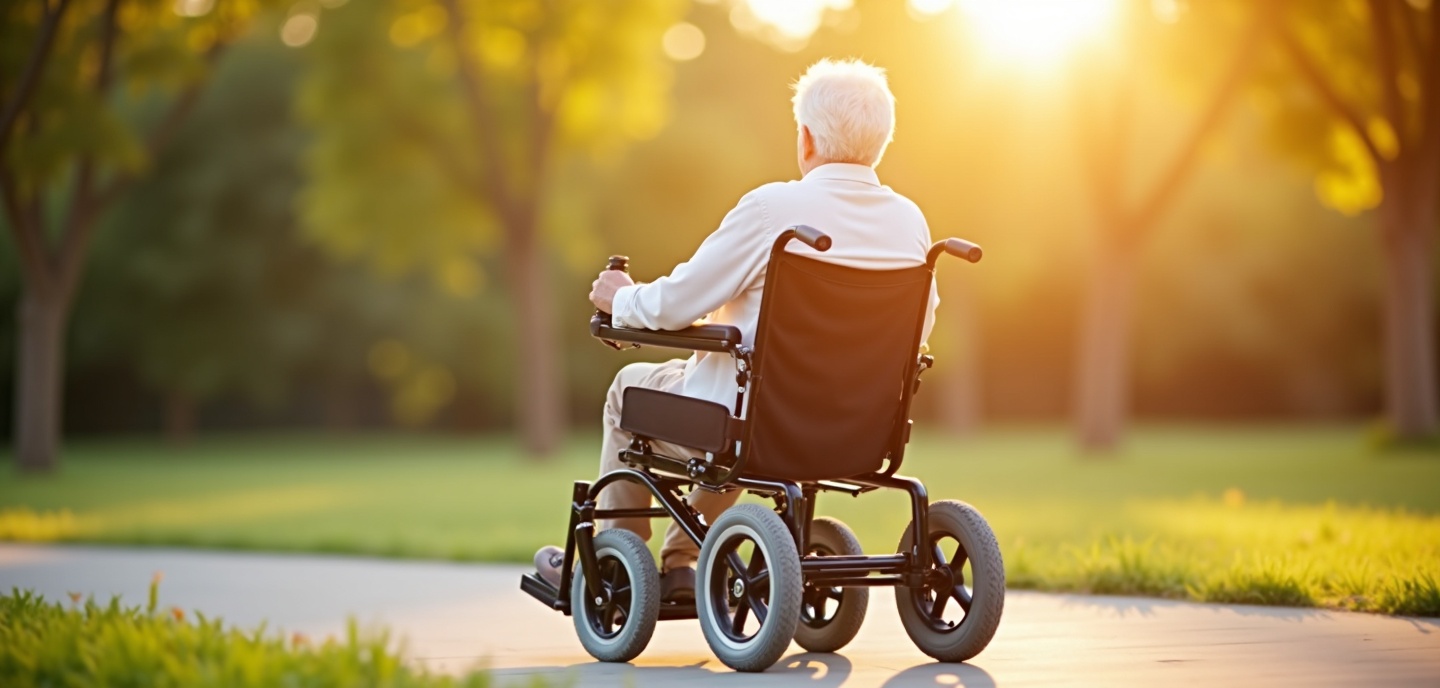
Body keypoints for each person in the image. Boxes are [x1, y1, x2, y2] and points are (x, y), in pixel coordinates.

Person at [534, 57, 940, 602]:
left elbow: (677, 302)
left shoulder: (776, 210)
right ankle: (681, 561)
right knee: (747, 403)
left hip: (759, 422)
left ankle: (614, 569)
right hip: (862, 428)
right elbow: (920, 327)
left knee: (630, 390)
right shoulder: (910, 223)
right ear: (880, 141)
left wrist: (620, 298)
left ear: (806, 138)